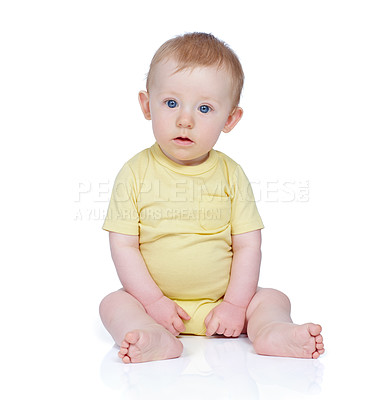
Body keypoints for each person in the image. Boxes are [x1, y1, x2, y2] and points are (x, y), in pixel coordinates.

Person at [99, 32, 324, 363]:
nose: (185, 120)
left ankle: (270, 331)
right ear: (148, 106)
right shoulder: (134, 173)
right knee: (112, 304)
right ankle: (154, 336)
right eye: (171, 103)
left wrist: (235, 305)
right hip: (153, 304)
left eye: (204, 108)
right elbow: (123, 246)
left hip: (222, 306)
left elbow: (248, 244)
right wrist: (154, 303)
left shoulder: (231, 175)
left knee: (273, 298)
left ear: (230, 119)